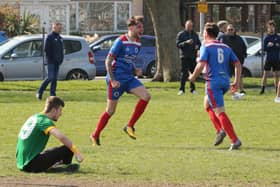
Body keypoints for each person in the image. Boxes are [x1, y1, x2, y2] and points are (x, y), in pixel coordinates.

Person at [90, 16, 151, 146]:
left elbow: (130, 59)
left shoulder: (138, 43)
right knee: (110, 111)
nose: (141, 29)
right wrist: (112, 80)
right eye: (139, 26)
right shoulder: (120, 41)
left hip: (129, 78)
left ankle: (129, 126)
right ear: (131, 27)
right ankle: (95, 135)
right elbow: (108, 61)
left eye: (142, 27)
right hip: (116, 79)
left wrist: (135, 70)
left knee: (146, 96)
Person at [189, 22, 242, 150]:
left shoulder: (206, 47)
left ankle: (234, 140)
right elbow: (238, 64)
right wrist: (236, 81)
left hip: (213, 83)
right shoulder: (226, 47)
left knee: (220, 111)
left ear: (206, 34)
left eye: (203, 32)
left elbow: (201, 65)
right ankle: (220, 130)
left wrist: (192, 77)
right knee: (207, 104)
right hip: (225, 82)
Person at [16, 96, 83, 172]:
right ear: (54, 110)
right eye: (60, 110)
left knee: (64, 148)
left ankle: (58, 166)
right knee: (68, 148)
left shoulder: (35, 117)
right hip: (31, 164)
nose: (61, 114)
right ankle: (63, 168)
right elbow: (61, 137)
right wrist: (77, 152)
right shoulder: (44, 121)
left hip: (22, 162)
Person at [37, 22, 64, 100]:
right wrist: (51, 58)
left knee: (54, 79)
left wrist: (61, 59)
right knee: (50, 77)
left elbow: (61, 50)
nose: (60, 29)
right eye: (59, 28)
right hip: (50, 61)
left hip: (57, 62)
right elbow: (46, 49)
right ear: (54, 28)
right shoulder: (50, 37)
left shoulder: (60, 38)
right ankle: (39, 92)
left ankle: (52, 95)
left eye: (60, 28)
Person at [219, 24, 247, 95]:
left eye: (231, 29)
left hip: (237, 60)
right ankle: (224, 89)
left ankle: (241, 89)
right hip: (226, 61)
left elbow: (244, 48)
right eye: (229, 30)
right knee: (225, 76)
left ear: (234, 30)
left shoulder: (239, 38)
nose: (230, 31)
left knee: (239, 75)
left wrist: (243, 56)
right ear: (226, 30)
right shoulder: (222, 38)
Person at [176, 20, 201, 95]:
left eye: (191, 26)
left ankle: (192, 89)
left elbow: (199, 43)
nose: (190, 27)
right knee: (184, 73)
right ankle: (181, 89)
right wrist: (185, 42)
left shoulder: (195, 34)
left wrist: (197, 46)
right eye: (188, 26)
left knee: (193, 72)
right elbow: (178, 44)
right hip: (184, 56)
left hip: (193, 56)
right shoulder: (181, 34)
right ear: (185, 26)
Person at [260, 20, 280, 94]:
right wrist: (268, 46)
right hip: (269, 59)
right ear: (267, 29)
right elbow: (264, 49)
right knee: (265, 74)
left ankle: (277, 90)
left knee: (277, 75)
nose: (271, 29)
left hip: (276, 59)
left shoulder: (278, 37)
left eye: (272, 27)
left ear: (274, 28)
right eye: (269, 27)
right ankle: (262, 89)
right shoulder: (266, 38)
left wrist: (278, 46)